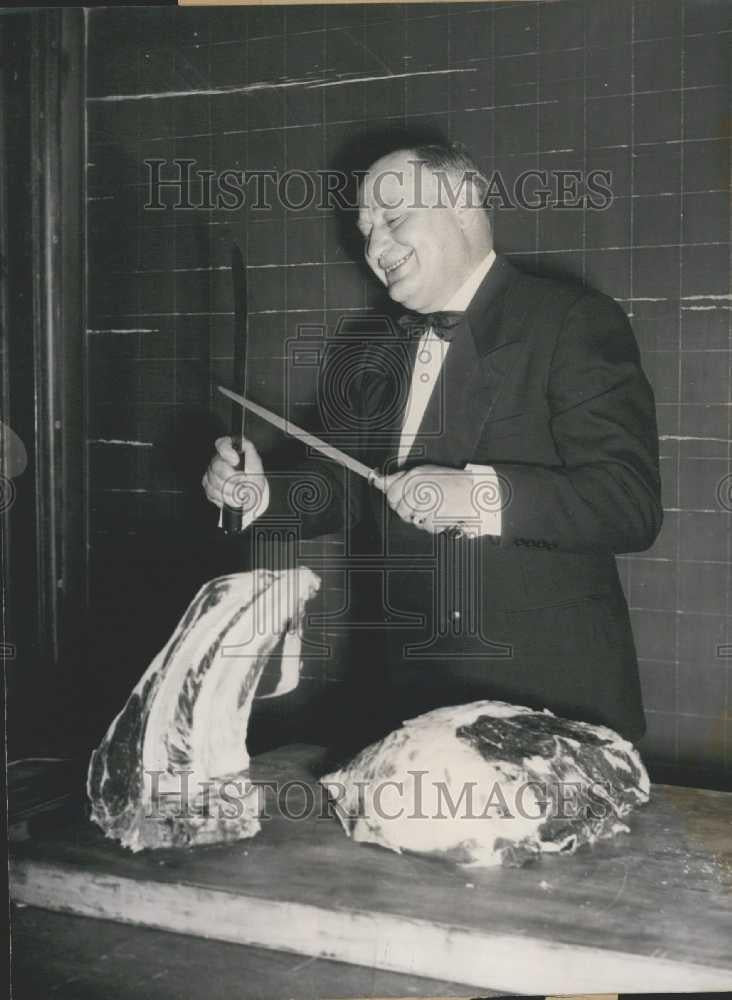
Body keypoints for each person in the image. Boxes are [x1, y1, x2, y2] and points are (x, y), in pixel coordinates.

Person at [202, 141, 662, 743]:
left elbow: (629, 503)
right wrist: (260, 493)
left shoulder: (569, 319)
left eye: (392, 220)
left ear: (465, 205)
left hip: (550, 703)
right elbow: (343, 487)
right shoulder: (382, 350)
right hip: (418, 701)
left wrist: (476, 496)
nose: (374, 249)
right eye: (365, 231)